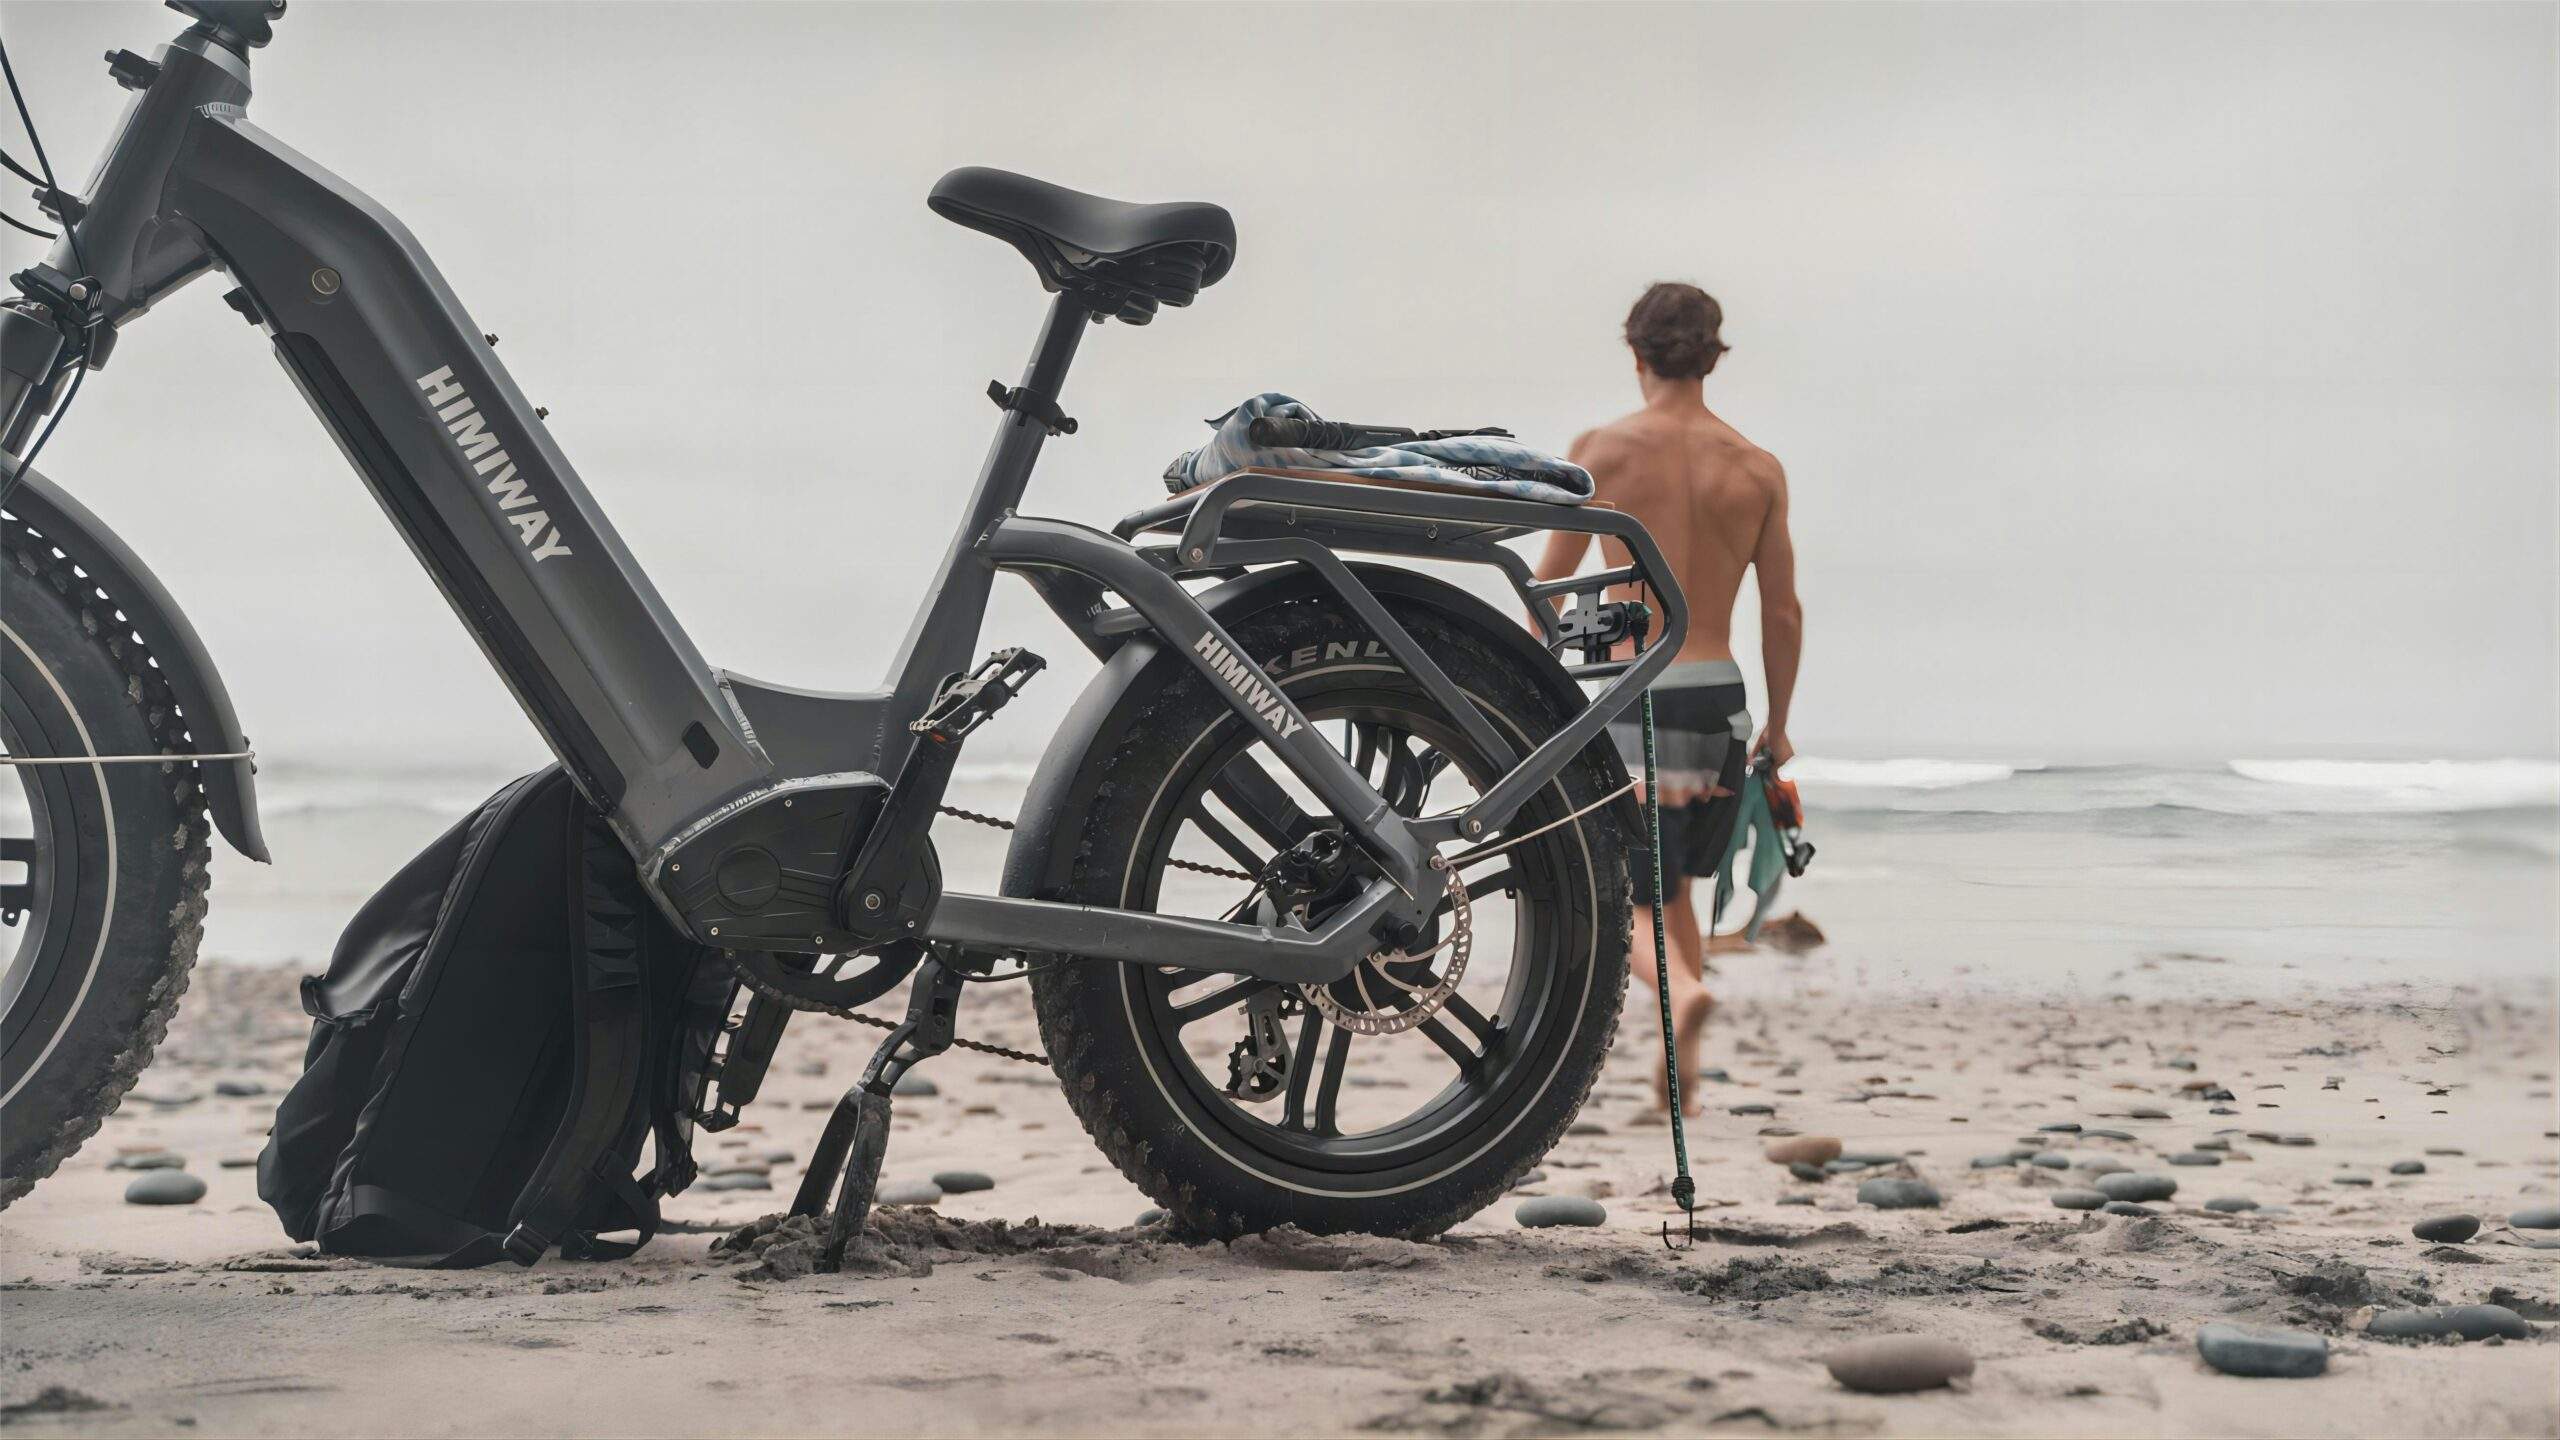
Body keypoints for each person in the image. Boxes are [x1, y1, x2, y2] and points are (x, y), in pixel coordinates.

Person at [1533, 281, 1803, 1116]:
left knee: (1626, 891)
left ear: (1636, 353)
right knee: (1677, 882)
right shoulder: (1756, 467)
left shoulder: (1602, 451)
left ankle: (1682, 991)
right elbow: (1782, 610)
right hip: (1718, 695)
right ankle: (1679, 1068)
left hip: (1630, 689)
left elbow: (1548, 590)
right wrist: (1781, 728)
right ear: (1713, 357)